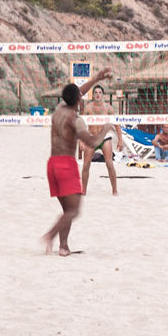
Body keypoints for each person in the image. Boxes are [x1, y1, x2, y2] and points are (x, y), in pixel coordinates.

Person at [43, 67, 113, 257]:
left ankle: (63, 247)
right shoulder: (76, 120)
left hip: (52, 165)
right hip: (66, 164)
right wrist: (106, 129)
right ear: (78, 101)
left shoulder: (59, 109)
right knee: (74, 210)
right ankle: (50, 235)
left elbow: (78, 92)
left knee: (67, 210)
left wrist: (97, 77)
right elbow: (91, 142)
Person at [79, 85, 123, 196]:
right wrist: (81, 141)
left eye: (100, 92)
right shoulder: (88, 108)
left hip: (104, 137)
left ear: (102, 94)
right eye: (96, 92)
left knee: (109, 163)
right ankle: (83, 190)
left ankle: (114, 190)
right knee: (86, 164)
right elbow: (81, 125)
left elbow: (117, 125)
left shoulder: (109, 108)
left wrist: (120, 140)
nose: (98, 94)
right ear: (93, 95)